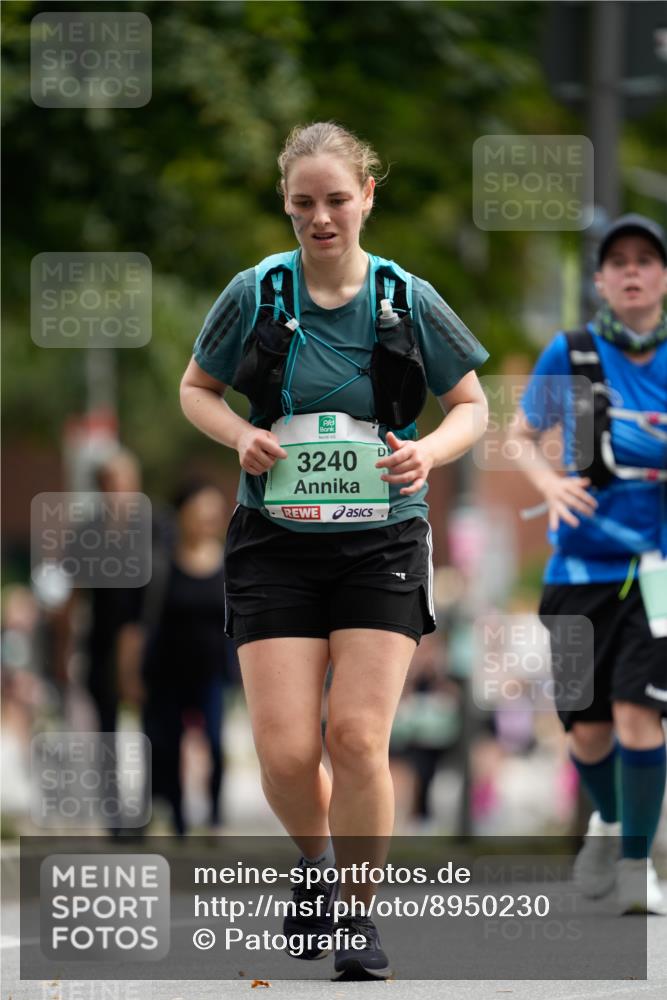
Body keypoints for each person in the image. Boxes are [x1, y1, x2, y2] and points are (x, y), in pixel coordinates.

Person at [180, 121, 489, 979]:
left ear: (366, 198)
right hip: (275, 540)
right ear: (285, 204)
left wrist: (428, 450)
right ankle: (316, 866)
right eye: (303, 203)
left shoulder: (406, 296)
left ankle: (357, 918)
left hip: (382, 539)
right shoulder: (253, 293)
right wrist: (240, 433)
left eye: (336, 200)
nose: (321, 218)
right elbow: (196, 389)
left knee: (355, 736)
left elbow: (471, 406)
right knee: (285, 752)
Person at [509, 213, 667, 914]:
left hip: (658, 572)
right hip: (577, 569)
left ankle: (637, 867)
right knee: (586, 726)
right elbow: (518, 436)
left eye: (646, 260)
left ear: (662, 277)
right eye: (618, 262)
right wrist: (548, 485)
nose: (632, 271)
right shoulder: (571, 354)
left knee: (639, 714)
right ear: (600, 280)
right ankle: (604, 820)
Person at [140, 478, 236, 835]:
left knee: (214, 741)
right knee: (170, 746)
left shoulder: (230, 562)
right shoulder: (162, 564)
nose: (208, 520)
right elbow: (145, 621)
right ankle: (178, 817)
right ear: (182, 516)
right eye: (200, 512)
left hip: (212, 671)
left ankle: (214, 815)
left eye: (213, 513)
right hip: (168, 671)